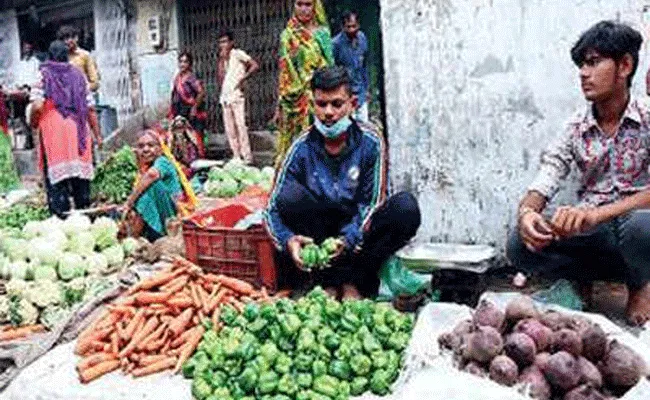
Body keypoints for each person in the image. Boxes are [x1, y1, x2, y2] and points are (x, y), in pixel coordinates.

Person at [506, 21, 650, 326]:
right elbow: (548, 173)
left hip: (633, 229)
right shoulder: (575, 127)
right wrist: (527, 214)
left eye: (594, 62)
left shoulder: (648, 116)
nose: (584, 73)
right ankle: (578, 280)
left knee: (641, 227)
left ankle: (641, 284)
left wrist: (600, 214)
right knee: (519, 242)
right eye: (582, 64)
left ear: (625, 65)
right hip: (592, 233)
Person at [265, 66, 421, 299]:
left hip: (358, 235)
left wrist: (347, 240)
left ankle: (355, 282)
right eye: (321, 104)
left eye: (337, 104)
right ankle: (326, 281)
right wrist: (288, 241)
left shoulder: (371, 141)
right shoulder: (300, 147)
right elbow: (271, 208)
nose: (328, 112)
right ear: (313, 105)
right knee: (289, 197)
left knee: (405, 208)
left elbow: (372, 202)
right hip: (319, 231)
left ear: (352, 104)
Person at [29, 41, 101, 218]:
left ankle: (61, 220)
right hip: (78, 132)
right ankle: (85, 219)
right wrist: (97, 135)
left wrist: (33, 122)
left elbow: (37, 106)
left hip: (54, 134)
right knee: (81, 183)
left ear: (49, 56)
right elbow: (90, 108)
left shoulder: (43, 75)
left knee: (57, 182)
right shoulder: (78, 76)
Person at [274, 0, 334, 165]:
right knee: (294, 147)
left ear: (315, 7)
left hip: (319, 98)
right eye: (299, 4)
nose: (303, 9)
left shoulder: (323, 34)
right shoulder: (288, 35)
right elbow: (284, 72)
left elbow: (329, 65)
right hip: (293, 100)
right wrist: (280, 103)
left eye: (308, 4)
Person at [122, 129, 198, 242]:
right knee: (142, 191)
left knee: (150, 187)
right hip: (163, 211)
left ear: (159, 148)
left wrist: (129, 202)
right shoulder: (145, 168)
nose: (146, 149)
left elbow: (151, 176)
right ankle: (141, 237)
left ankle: (134, 239)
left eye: (151, 145)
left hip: (174, 214)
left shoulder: (163, 161)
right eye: (141, 146)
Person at [217, 30, 259, 165]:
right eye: (220, 42)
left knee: (241, 126)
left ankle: (247, 157)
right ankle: (236, 156)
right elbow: (221, 78)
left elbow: (254, 65)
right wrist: (222, 60)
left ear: (231, 42)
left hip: (237, 95)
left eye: (225, 41)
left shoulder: (238, 53)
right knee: (230, 128)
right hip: (225, 96)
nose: (222, 45)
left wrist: (243, 79)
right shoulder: (223, 59)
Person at [57, 26, 102, 149]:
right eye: (65, 38)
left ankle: (97, 139)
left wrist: (80, 90)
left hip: (83, 99)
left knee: (87, 136)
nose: (69, 41)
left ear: (76, 38)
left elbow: (95, 82)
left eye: (71, 37)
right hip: (65, 103)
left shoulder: (84, 56)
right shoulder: (59, 57)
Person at [333, 10, 370, 123]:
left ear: (358, 25)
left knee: (364, 127)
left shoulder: (362, 39)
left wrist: (366, 88)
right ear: (343, 27)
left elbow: (364, 65)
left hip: (361, 94)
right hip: (345, 95)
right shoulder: (336, 44)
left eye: (354, 26)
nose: (351, 30)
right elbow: (333, 70)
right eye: (348, 27)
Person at [169, 52, 207, 138]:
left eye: (185, 62)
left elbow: (201, 92)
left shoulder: (192, 78)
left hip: (190, 111)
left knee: (194, 135)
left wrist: (194, 108)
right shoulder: (178, 77)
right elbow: (174, 94)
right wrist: (172, 111)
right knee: (181, 136)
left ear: (190, 64)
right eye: (181, 61)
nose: (182, 64)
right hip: (179, 110)